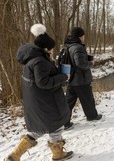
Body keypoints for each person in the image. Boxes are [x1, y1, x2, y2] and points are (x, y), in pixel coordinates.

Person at [5, 24, 73, 161]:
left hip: (37, 101)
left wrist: (55, 70)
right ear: (46, 48)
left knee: (38, 130)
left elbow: (40, 79)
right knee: (55, 126)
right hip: (45, 102)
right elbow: (44, 82)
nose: (53, 50)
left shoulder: (33, 59)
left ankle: (15, 155)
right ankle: (57, 154)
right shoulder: (39, 61)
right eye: (52, 48)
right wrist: (64, 77)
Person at [63, 27, 102, 130]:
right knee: (88, 99)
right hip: (81, 80)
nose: (84, 37)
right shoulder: (78, 47)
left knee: (69, 102)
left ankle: (64, 122)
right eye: (83, 35)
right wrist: (91, 63)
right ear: (80, 36)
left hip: (71, 79)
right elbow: (80, 63)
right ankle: (92, 116)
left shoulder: (68, 46)